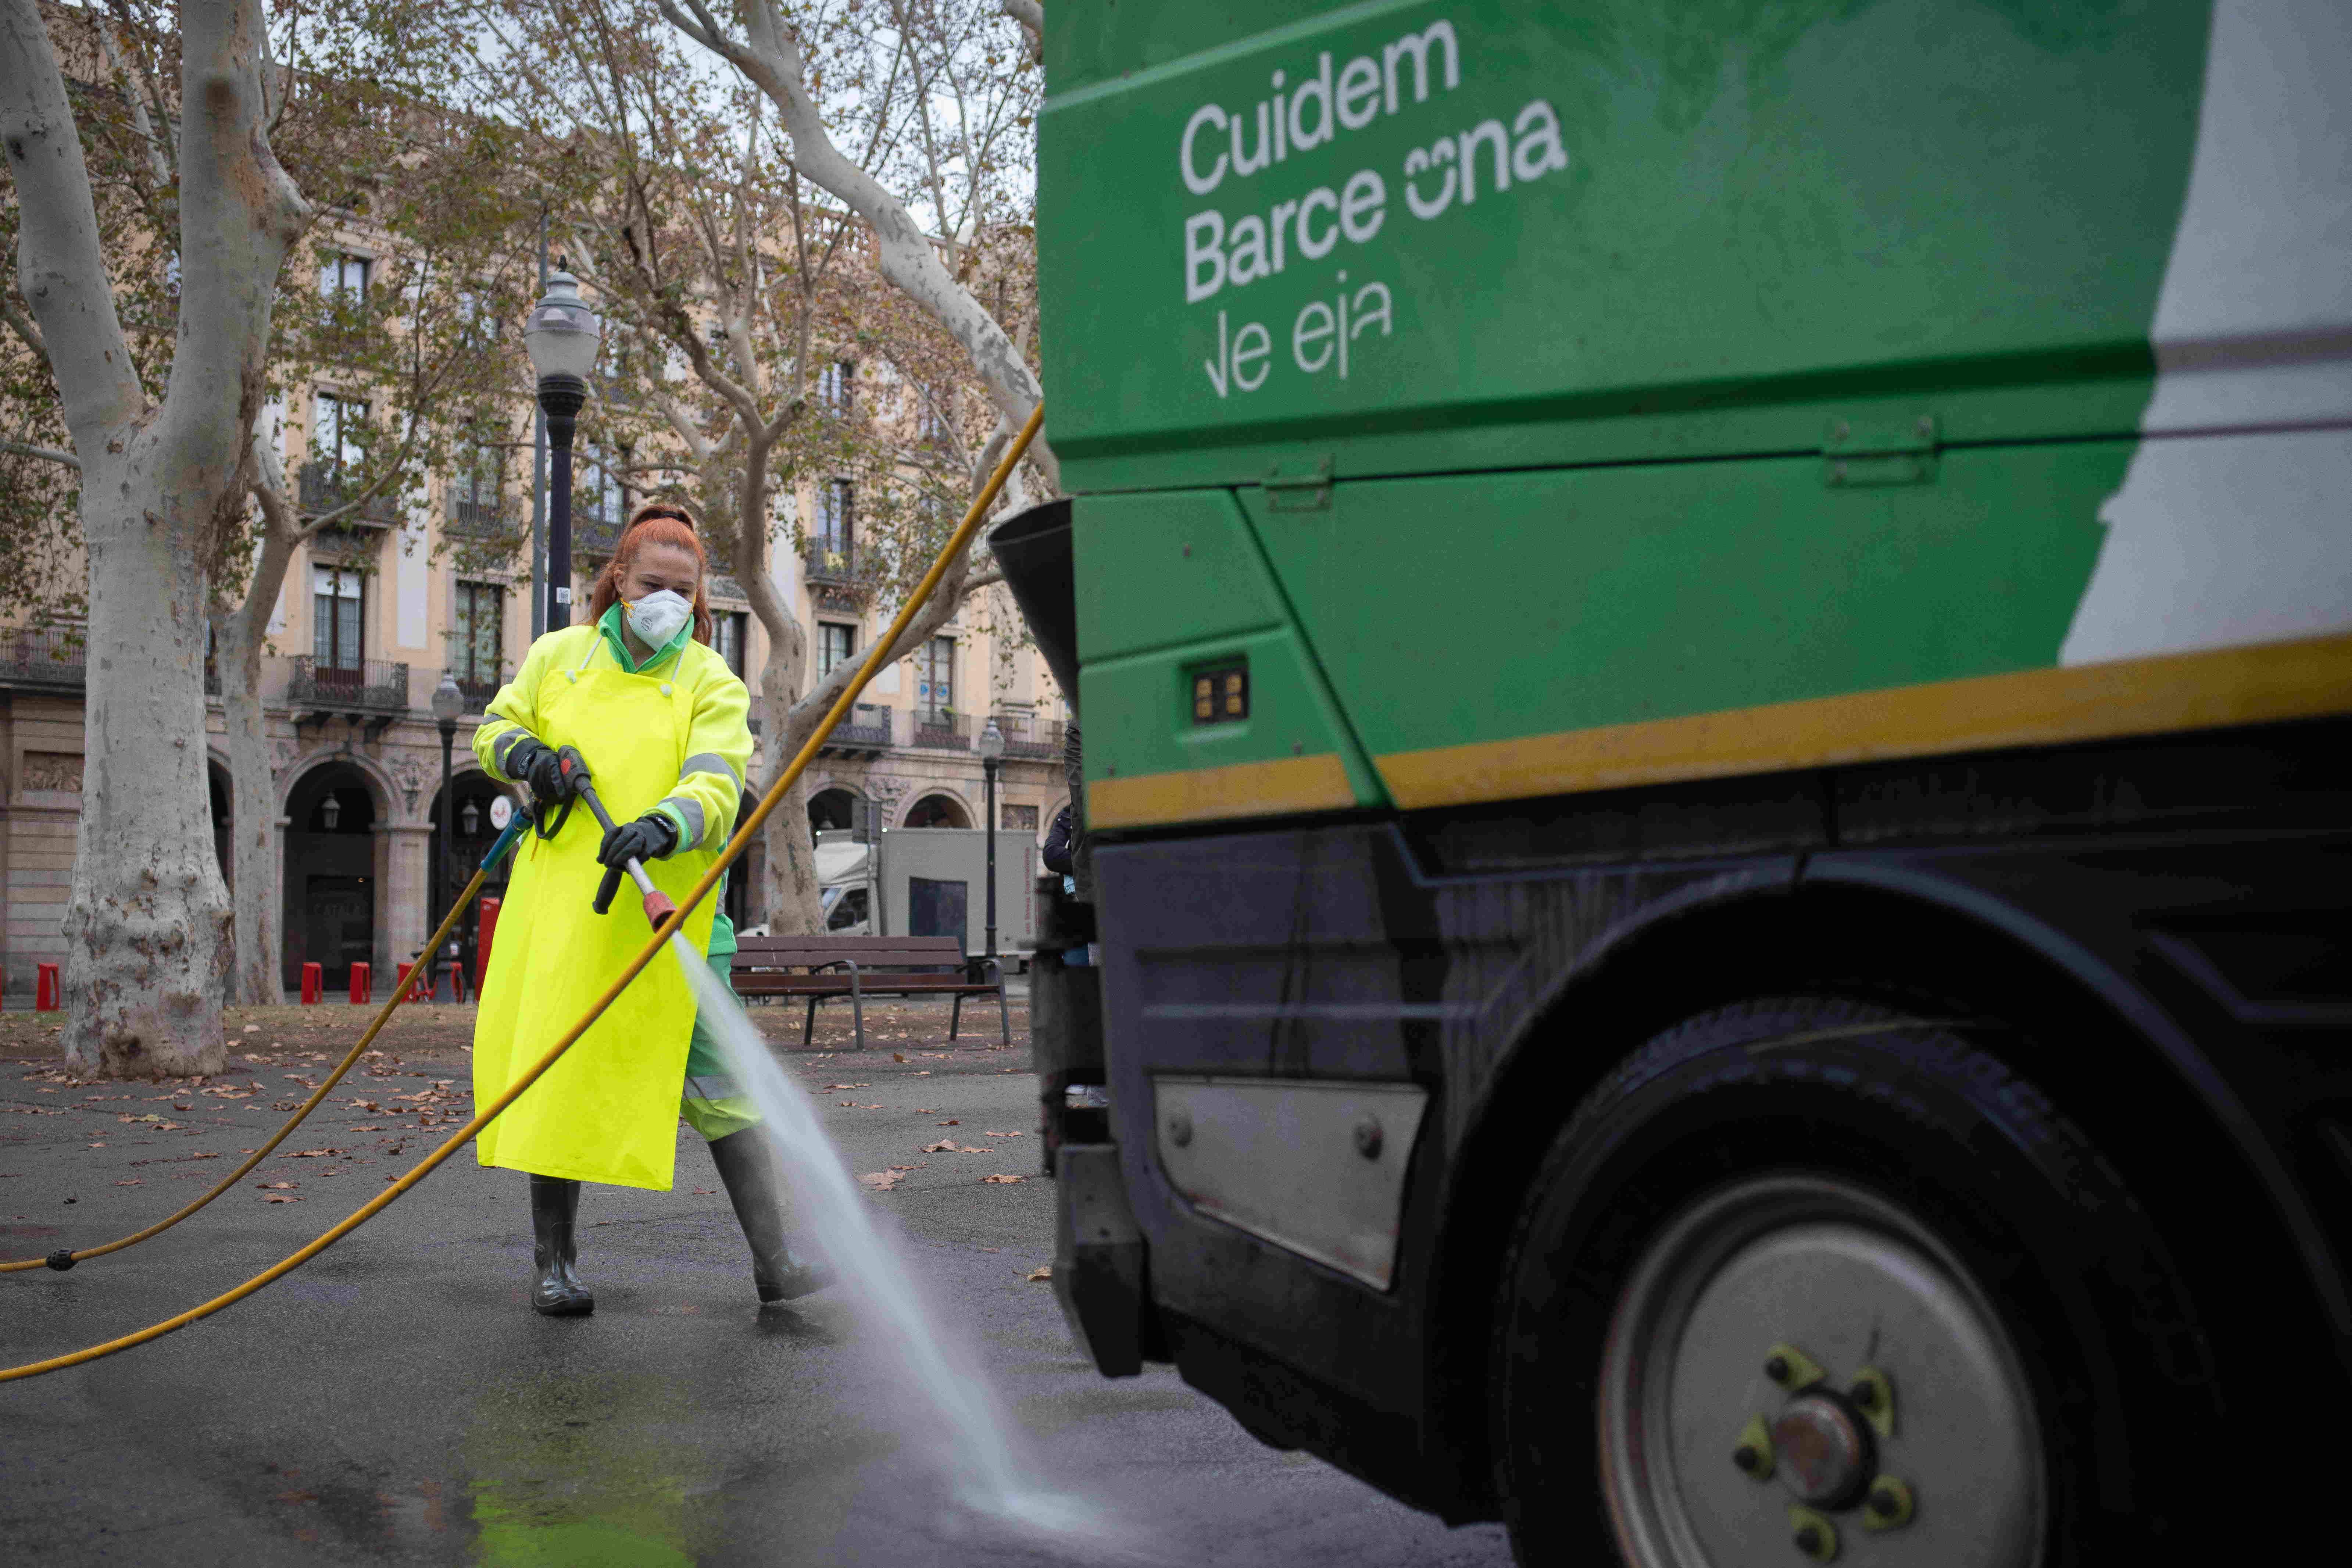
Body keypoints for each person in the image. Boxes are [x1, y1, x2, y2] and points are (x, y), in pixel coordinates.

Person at [472, 501, 824, 1315]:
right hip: (569, 916)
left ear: (700, 599)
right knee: (556, 1078)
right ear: (619, 584)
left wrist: (664, 825)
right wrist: (528, 756)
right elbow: (497, 727)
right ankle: (552, 1267)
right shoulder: (557, 659)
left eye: (683, 588)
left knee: (723, 1083)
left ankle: (776, 1264)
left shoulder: (710, 681)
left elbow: (715, 782)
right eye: (651, 584)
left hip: (678, 917)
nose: (666, 599)